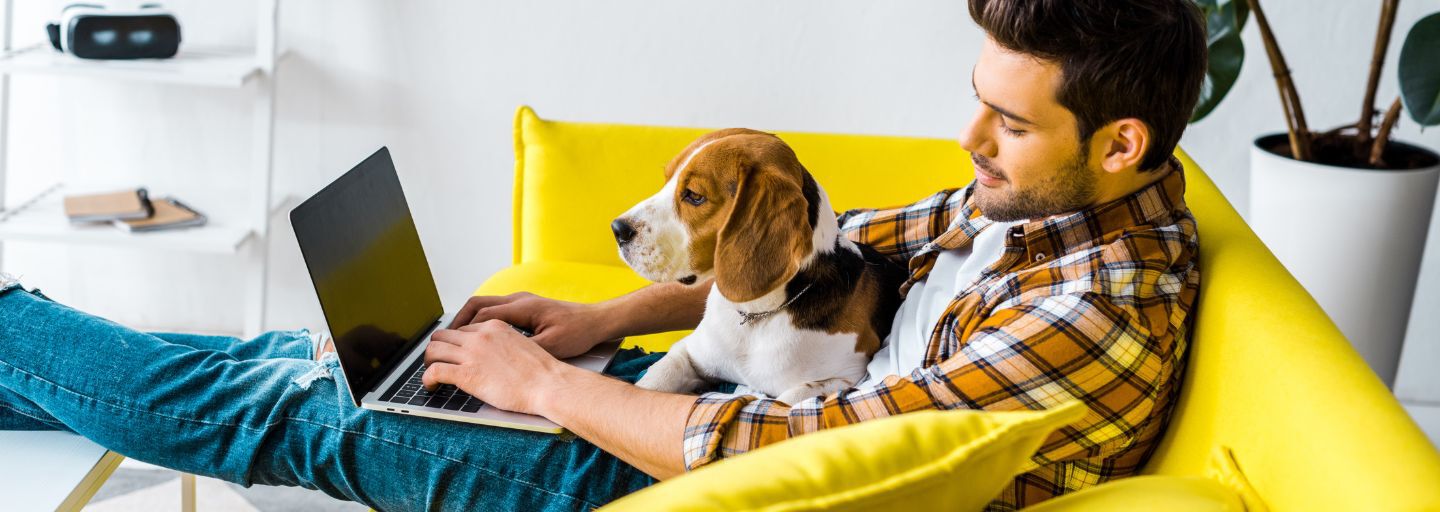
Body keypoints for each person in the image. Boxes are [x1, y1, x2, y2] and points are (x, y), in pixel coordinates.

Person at [0, 0, 1206, 509]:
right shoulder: (1039, 210)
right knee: (316, 355)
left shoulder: (1094, 312)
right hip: (698, 413)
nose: (970, 139)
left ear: (1122, 140)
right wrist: (597, 323)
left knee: (294, 411)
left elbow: (833, 453)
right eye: (979, 100)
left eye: (1010, 120)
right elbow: (845, 247)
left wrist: (543, 388)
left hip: (690, 483)